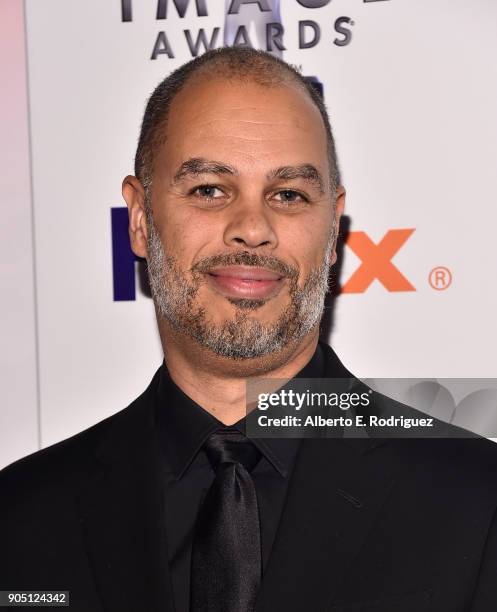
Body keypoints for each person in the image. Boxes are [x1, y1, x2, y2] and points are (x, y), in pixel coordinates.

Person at [2, 47, 497, 612]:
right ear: (140, 219)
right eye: (209, 189)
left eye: (288, 194)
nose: (252, 229)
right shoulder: (21, 518)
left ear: (332, 227)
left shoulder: (477, 504)